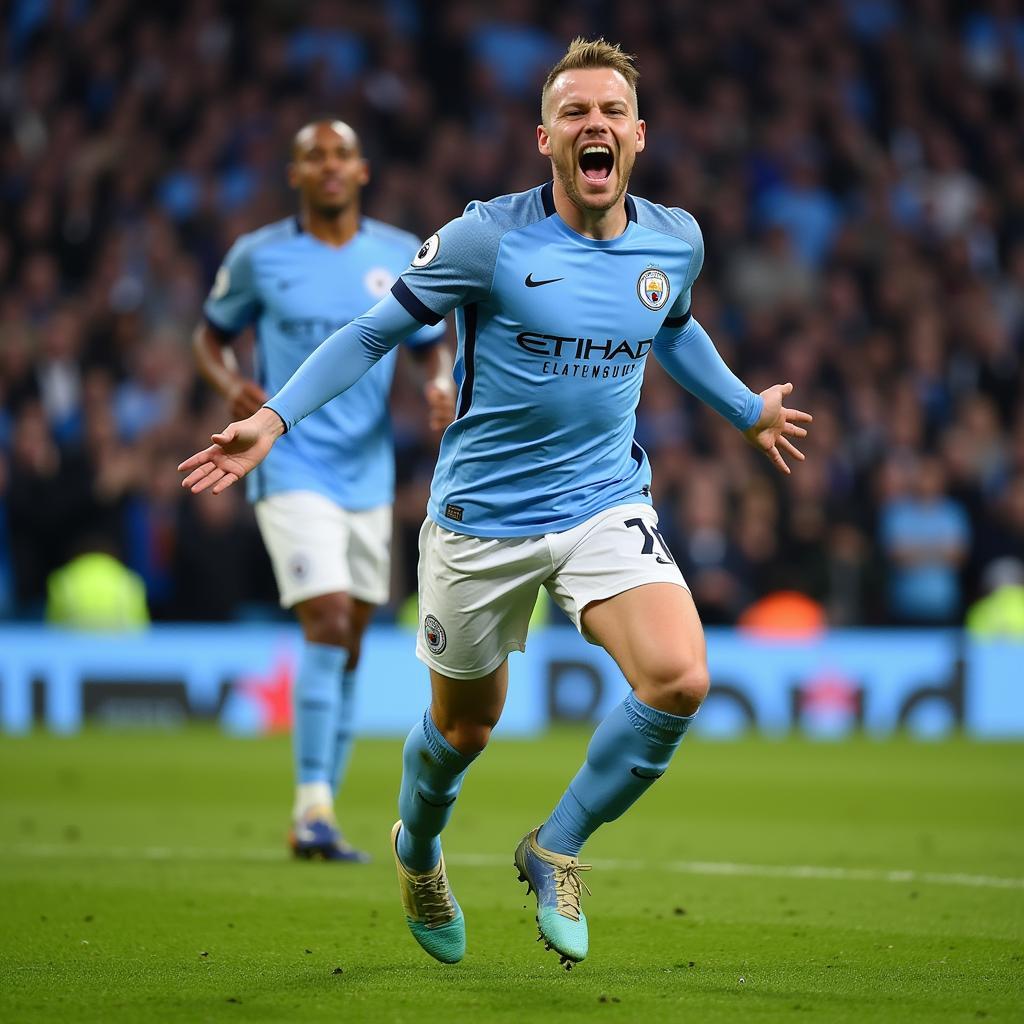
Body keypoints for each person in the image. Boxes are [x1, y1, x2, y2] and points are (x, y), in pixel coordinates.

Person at [180, 40, 811, 966]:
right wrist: (274, 418)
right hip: (481, 519)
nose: (593, 126)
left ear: (638, 135)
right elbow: (372, 332)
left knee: (679, 676)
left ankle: (555, 845)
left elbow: (671, 326)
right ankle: (419, 849)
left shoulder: (674, 239)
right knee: (466, 728)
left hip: (604, 500)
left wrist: (745, 407)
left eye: (610, 113)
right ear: (544, 136)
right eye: (575, 113)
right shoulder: (488, 238)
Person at [193, 119, 453, 862]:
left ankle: (323, 815)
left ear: (362, 171)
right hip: (290, 464)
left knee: (350, 644)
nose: (330, 166)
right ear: (296, 174)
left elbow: (432, 347)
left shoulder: (398, 253)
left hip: (367, 476)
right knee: (329, 619)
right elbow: (208, 336)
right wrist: (228, 384)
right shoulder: (259, 258)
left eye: (342, 154)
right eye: (315, 156)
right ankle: (309, 807)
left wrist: (437, 387)